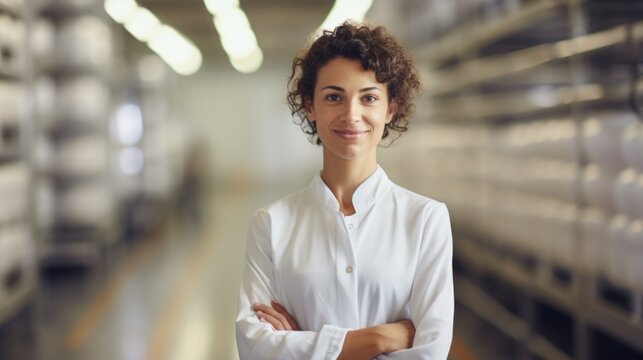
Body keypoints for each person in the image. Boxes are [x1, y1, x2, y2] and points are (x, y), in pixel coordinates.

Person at [235, 21, 453, 359]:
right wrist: (382, 339)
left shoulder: (426, 220)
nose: (352, 115)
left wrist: (306, 346)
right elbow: (255, 348)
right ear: (310, 106)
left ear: (390, 108)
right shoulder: (271, 225)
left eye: (368, 98)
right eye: (334, 97)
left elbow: (431, 351)